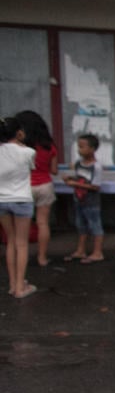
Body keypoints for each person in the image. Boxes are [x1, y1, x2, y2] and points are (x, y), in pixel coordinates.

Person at [14, 111, 57, 268]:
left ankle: (20, 257)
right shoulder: (50, 146)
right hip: (45, 186)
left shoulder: (19, 147)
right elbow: (54, 170)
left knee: (20, 226)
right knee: (43, 223)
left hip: (24, 187)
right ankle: (42, 257)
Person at [0, 116, 37, 298]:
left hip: (1, 200)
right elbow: (31, 167)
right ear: (19, 132)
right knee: (22, 244)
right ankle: (20, 288)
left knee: (10, 242)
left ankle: (13, 284)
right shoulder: (28, 152)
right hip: (22, 199)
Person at [62, 133, 105, 263]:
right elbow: (78, 178)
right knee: (81, 225)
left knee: (95, 225)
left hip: (91, 202)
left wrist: (74, 184)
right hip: (79, 199)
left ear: (92, 149)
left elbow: (96, 186)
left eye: (82, 147)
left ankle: (98, 252)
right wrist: (69, 179)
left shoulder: (96, 167)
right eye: (78, 146)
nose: (79, 150)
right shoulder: (78, 164)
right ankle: (80, 250)